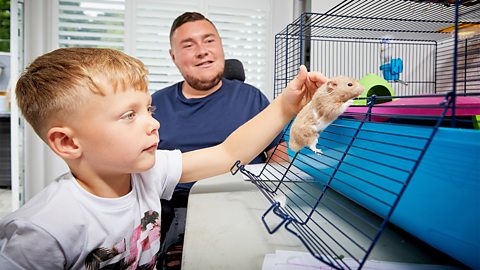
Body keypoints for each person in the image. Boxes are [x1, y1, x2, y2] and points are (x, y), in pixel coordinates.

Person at [0, 47, 326, 269]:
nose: (154, 122)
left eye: (149, 109)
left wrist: (287, 105)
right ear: (68, 142)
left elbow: (227, 153)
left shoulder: (147, 172)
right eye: (129, 115)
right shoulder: (42, 230)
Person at [151, 12, 288, 268]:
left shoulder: (252, 98)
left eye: (209, 40)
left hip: (246, 203)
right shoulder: (154, 106)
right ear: (173, 56)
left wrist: (277, 194)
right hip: (180, 211)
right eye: (189, 45)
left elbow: (277, 153)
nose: (202, 51)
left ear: (221, 46)